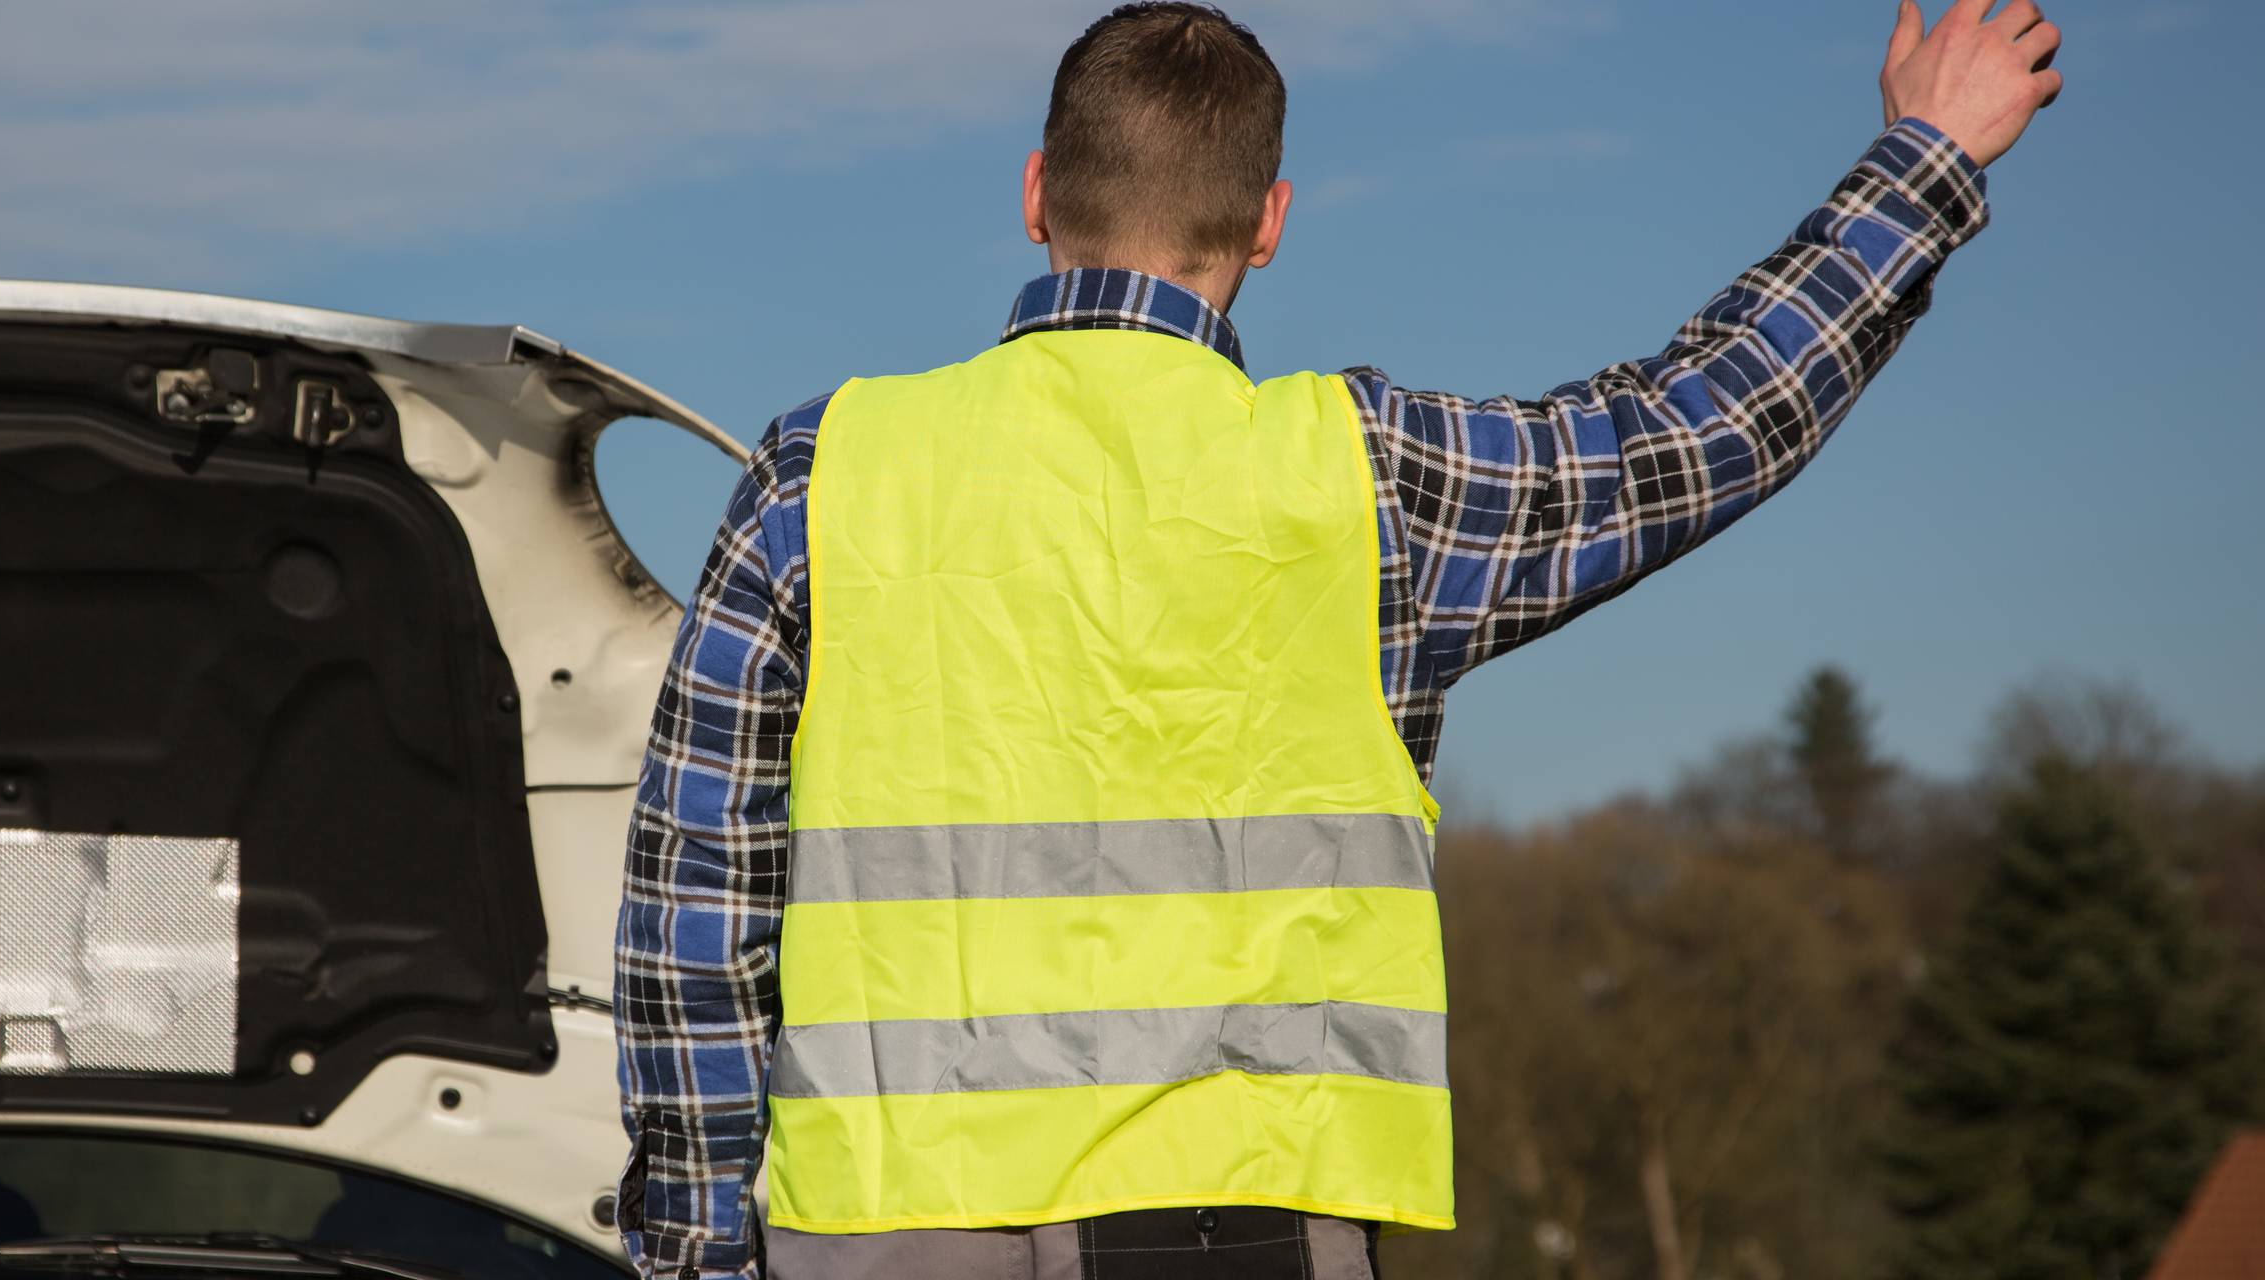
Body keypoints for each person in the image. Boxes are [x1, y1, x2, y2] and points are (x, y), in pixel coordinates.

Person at [612, 2, 2062, 1276]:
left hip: (883, 1228)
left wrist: (690, 1238)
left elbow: (695, 893)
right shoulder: (1366, 483)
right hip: (1239, 1224)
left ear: (1038, 192)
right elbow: (1698, 424)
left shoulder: (827, 470)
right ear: (1269, 222)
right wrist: (1921, 161)